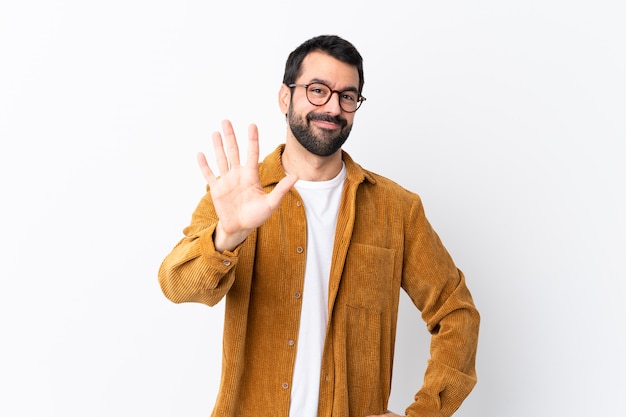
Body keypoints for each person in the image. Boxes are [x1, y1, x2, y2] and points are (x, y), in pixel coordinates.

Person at [158, 34, 480, 417]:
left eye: (347, 96)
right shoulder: (241, 192)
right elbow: (177, 285)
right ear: (285, 97)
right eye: (317, 90)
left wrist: (427, 412)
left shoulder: (397, 209)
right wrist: (228, 236)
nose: (333, 107)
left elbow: (455, 311)